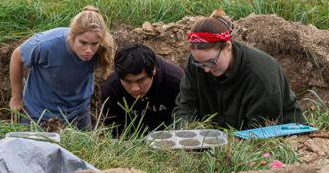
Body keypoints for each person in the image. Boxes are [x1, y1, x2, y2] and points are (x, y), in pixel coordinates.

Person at [172, 10, 305, 130]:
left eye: (211, 62)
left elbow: (261, 130)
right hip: (221, 135)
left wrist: (225, 142)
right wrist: (187, 131)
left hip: (282, 135)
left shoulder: (260, 74)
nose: (206, 69)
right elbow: (185, 106)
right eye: (199, 63)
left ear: (228, 46)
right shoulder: (196, 64)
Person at [9, 6, 115, 129]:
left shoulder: (105, 46)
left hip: (78, 112)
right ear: (71, 36)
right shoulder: (46, 45)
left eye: (94, 44)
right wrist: (16, 98)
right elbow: (17, 56)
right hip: (39, 113)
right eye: (83, 43)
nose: (89, 50)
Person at [100, 44, 183, 135]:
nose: (135, 89)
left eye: (140, 80)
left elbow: (187, 115)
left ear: (153, 71)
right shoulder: (111, 89)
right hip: (131, 135)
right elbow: (114, 130)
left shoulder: (176, 81)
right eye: (128, 81)